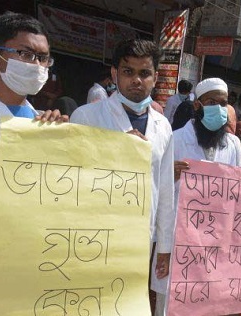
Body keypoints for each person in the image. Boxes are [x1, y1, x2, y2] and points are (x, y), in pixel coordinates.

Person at [0, 12, 66, 312]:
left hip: (33, 273)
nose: (37, 66)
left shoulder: (49, 126)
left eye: (43, 58)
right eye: (25, 54)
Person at [70, 39, 174, 309]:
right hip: (93, 237)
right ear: (115, 74)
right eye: (128, 72)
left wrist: (164, 245)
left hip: (141, 239)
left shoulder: (163, 126)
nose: (136, 80)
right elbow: (71, 180)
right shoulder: (86, 117)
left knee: (127, 305)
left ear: (156, 77)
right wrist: (115, 150)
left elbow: (164, 189)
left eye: (144, 73)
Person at [168, 77, 241, 315]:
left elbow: (237, 190)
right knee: (175, 305)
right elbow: (155, 188)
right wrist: (171, 174)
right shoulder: (175, 139)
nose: (219, 109)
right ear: (197, 105)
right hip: (180, 240)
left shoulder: (233, 144)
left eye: (224, 103)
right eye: (212, 102)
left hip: (214, 241)